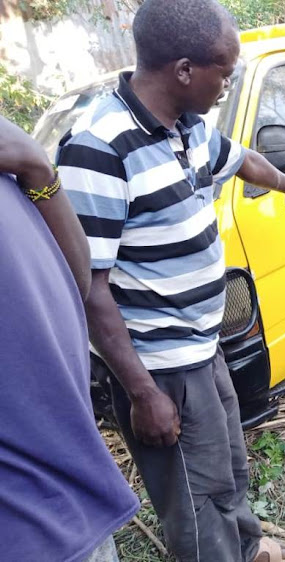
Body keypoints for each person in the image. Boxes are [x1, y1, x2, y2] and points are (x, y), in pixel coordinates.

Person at [57, 0, 285, 560]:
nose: (228, 83)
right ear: (184, 70)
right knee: (194, 505)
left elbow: (242, 158)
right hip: (159, 369)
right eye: (225, 71)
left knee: (227, 470)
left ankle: (247, 551)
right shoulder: (98, 149)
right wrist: (144, 393)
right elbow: (89, 289)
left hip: (203, 346)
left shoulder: (188, 128)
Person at [0, 115, 140, 561]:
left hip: (75, 495)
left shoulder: (10, 155)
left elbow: (74, 283)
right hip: (26, 526)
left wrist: (39, 170)